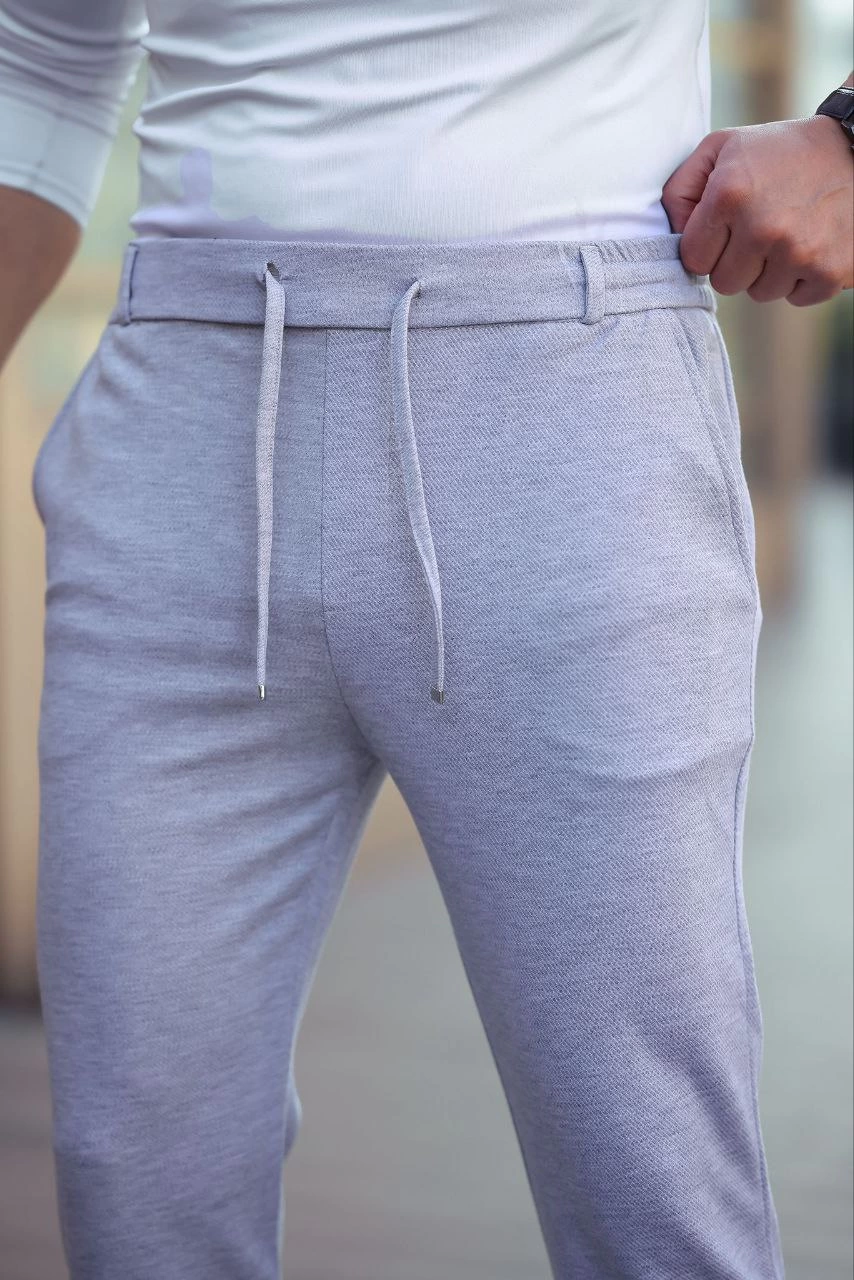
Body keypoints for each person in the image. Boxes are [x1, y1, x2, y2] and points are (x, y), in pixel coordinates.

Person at [0, 1, 851, 1276]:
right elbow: (45, 57)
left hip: (566, 422)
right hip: (181, 431)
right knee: (137, 1172)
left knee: (646, 1176)